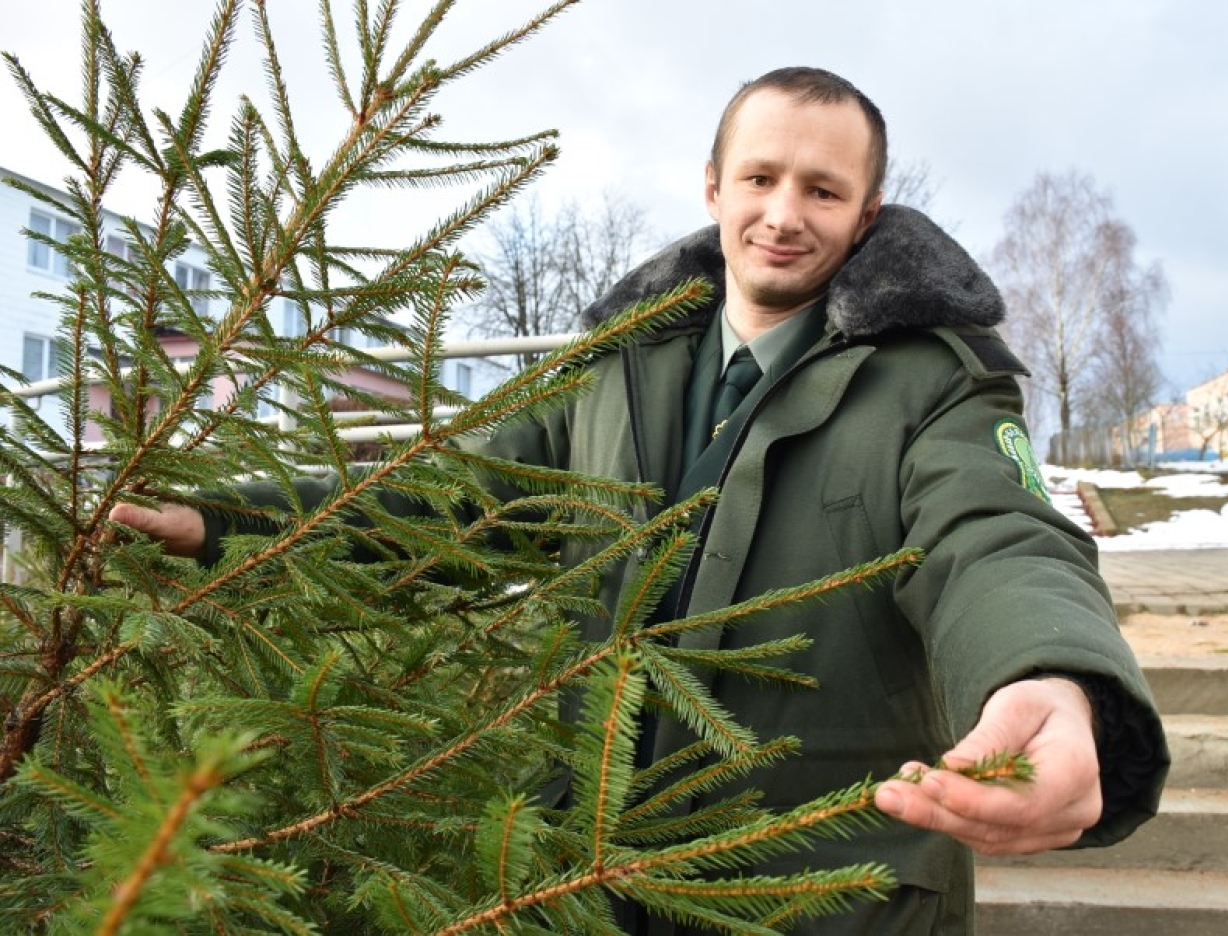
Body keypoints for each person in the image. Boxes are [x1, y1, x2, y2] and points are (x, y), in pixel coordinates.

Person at [113, 67, 1168, 934]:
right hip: (588, 877)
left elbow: (992, 531)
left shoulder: (938, 378)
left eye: (821, 190)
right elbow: (451, 498)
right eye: (759, 177)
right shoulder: (612, 367)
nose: (782, 215)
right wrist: (228, 524)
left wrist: (1053, 680)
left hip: (823, 890)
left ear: (866, 213)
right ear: (712, 185)